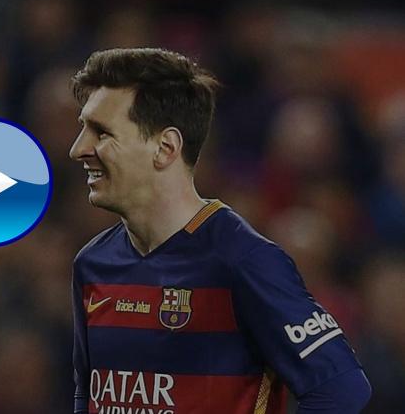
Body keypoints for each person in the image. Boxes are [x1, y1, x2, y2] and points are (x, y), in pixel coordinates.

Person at [68, 48, 371, 414]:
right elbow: (87, 397)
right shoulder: (93, 263)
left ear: (165, 148)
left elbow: (341, 390)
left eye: (101, 132)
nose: (78, 149)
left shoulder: (242, 260)